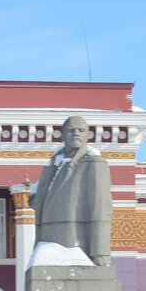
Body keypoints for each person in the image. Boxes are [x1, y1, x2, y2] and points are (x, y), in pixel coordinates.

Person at [31, 114, 113, 266]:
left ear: (88, 135)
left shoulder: (93, 163)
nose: (76, 133)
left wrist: (100, 251)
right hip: (48, 241)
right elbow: (38, 197)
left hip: (74, 241)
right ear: (62, 134)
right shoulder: (54, 164)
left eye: (81, 130)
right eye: (71, 130)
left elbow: (100, 208)